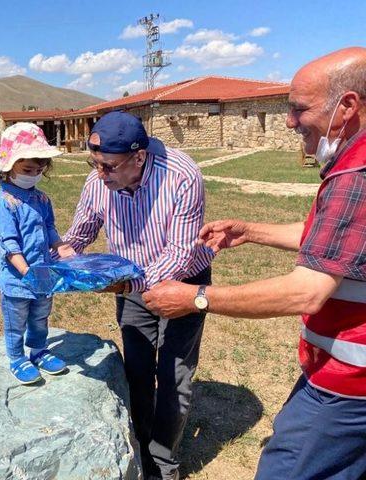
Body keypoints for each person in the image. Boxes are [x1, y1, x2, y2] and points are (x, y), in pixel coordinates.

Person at [143, 47, 366, 480]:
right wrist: (252, 231)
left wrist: (197, 298)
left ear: (347, 107)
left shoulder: (355, 178)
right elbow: (336, 244)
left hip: (347, 386)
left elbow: (306, 290)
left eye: (299, 109)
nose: (288, 121)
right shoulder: (352, 170)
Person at [62, 111, 213, 480]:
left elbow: (181, 252)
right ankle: (141, 447)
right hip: (132, 284)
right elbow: (79, 235)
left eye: (108, 167)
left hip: (182, 282)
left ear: (139, 158)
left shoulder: (181, 176)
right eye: (94, 163)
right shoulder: (98, 181)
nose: (100, 174)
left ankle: (163, 463)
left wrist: (131, 284)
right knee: (139, 370)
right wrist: (59, 258)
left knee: (174, 373)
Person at [0, 122, 75, 385]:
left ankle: (38, 351)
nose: (34, 174)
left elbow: (48, 227)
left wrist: (60, 246)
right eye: (27, 170)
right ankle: (16, 357)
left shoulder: (42, 199)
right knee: (16, 320)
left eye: (39, 170)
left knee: (40, 317)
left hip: (43, 275)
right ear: (8, 166)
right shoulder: (2, 205)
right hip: (18, 280)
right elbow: (8, 243)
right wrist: (26, 272)